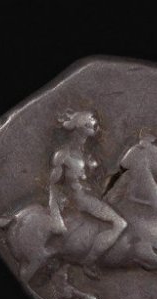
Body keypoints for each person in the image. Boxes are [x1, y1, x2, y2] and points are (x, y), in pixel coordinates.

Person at [48, 109, 127, 264]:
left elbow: (97, 180)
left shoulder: (87, 153)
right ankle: (89, 262)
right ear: (79, 127)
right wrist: (55, 216)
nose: (95, 125)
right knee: (120, 224)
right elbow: (53, 185)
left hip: (93, 194)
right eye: (90, 123)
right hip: (80, 199)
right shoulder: (63, 155)